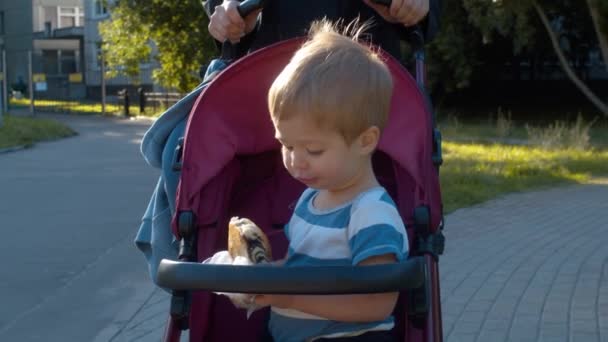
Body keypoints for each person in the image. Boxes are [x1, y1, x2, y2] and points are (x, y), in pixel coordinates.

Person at [251, 20, 409, 342]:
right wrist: (266, 277)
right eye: (287, 145)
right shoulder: (311, 200)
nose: (296, 159)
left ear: (365, 141)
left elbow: (377, 302)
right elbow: (301, 267)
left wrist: (290, 298)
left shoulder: (369, 214)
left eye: (313, 149)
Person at [204, 0, 442, 61]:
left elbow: (425, 9)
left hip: (369, 93)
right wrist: (230, 14)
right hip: (271, 90)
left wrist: (419, 6)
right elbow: (225, 8)